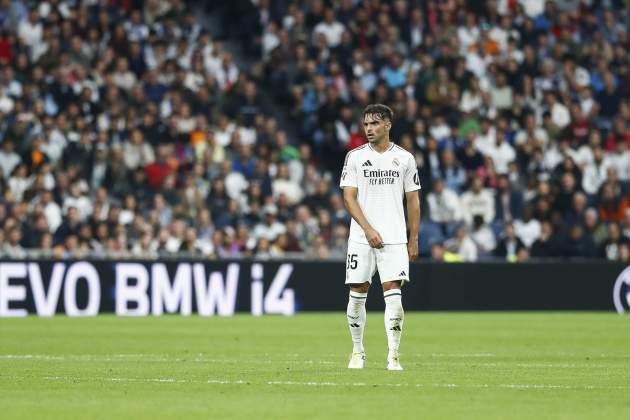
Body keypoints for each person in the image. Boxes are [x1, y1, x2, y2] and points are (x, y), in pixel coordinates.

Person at [339, 104, 421, 371]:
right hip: (361, 238)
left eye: (374, 124)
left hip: (395, 237)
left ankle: (393, 356)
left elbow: (413, 200)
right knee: (357, 293)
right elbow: (348, 197)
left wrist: (414, 238)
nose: (369, 129)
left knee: (394, 297)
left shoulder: (405, 159)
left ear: (388, 125)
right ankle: (357, 351)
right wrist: (367, 229)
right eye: (365, 124)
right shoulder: (354, 157)